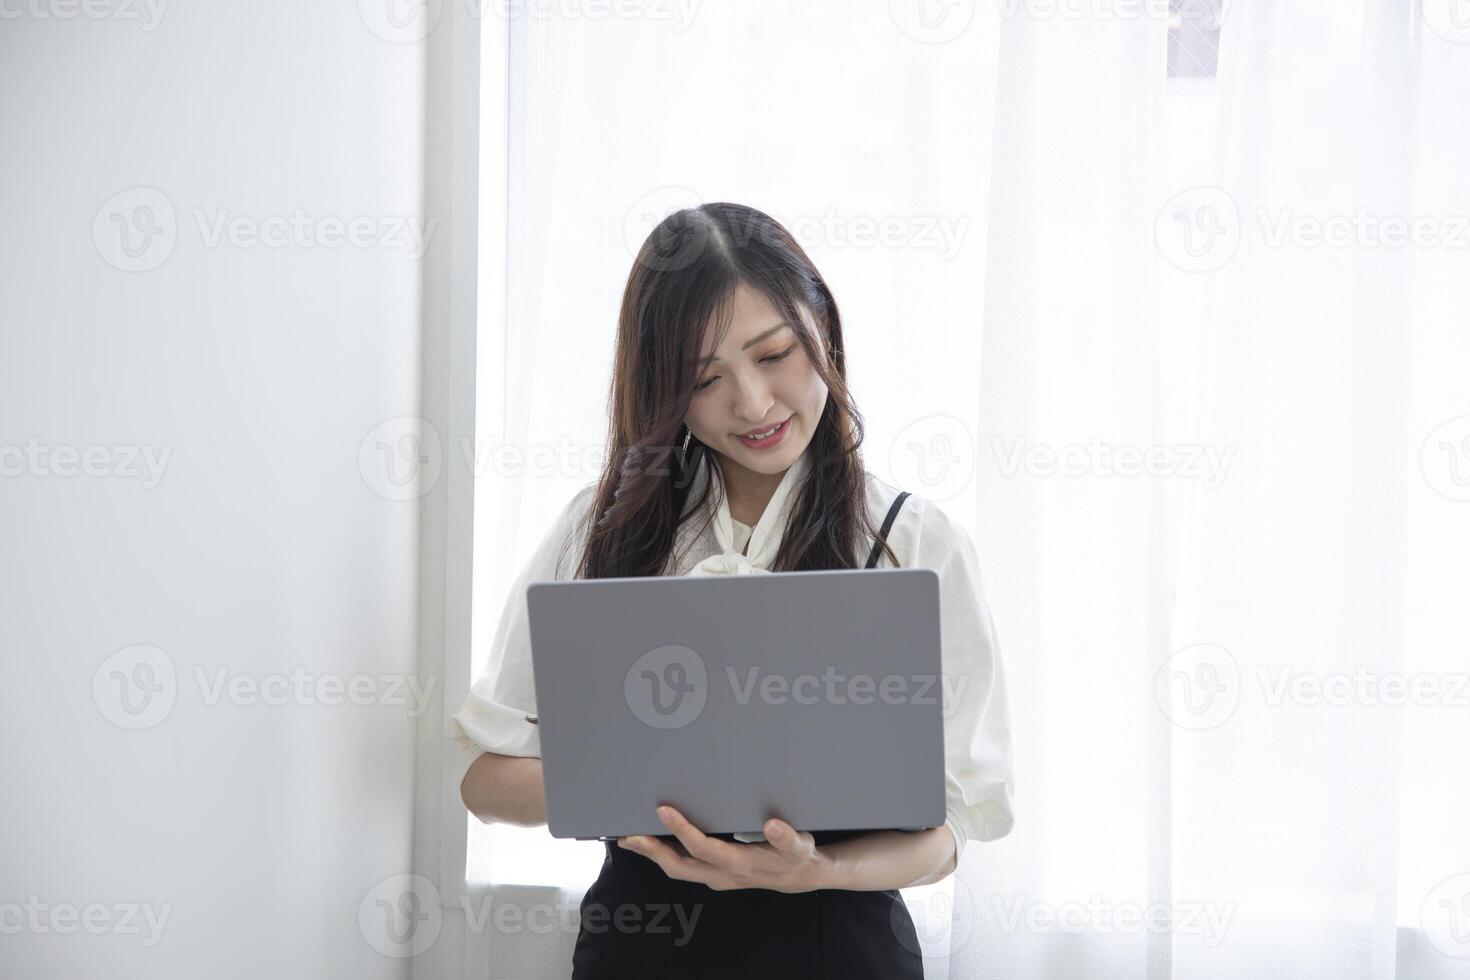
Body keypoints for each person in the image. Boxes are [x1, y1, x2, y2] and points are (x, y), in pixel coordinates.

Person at [452, 202, 1015, 978]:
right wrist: (647, 777)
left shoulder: (910, 540)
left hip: (839, 945)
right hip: (642, 943)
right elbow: (486, 780)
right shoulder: (606, 526)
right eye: (704, 379)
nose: (752, 404)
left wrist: (820, 870)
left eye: (775, 353)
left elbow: (951, 830)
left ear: (823, 328)